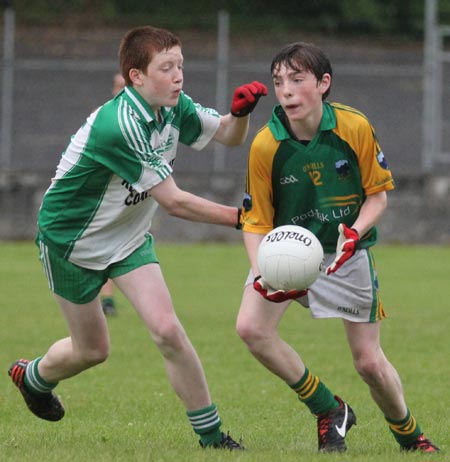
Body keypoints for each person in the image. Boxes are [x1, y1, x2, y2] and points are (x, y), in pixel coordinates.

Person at [8, 25, 267, 450]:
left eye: (180, 65)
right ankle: (32, 377)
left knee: (168, 330)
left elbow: (227, 135)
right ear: (136, 77)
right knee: (92, 350)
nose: (178, 76)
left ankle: (212, 437)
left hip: (127, 236)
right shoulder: (120, 124)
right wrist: (245, 218)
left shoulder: (171, 106)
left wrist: (239, 115)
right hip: (70, 242)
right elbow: (174, 202)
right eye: (166, 68)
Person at [236, 42, 439, 454]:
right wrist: (261, 271)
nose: (286, 91)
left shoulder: (354, 127)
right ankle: (329, 409)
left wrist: (355, 232)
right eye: (278, 82)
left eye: (297, 80)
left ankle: (408, 433)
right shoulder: (265, 145)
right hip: (288, 251)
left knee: (368, 362)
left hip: (346, 256)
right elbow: (255, 220)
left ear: (323, 84)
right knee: (251, 329)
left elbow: (378, 196)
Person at [100, 72, 126, 316]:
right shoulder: (105, 119)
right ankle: (105, 300)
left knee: (119, 251)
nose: (122, 90)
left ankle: (107, 299)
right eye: (118, 86)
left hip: (129, 200)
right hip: (103, 200)